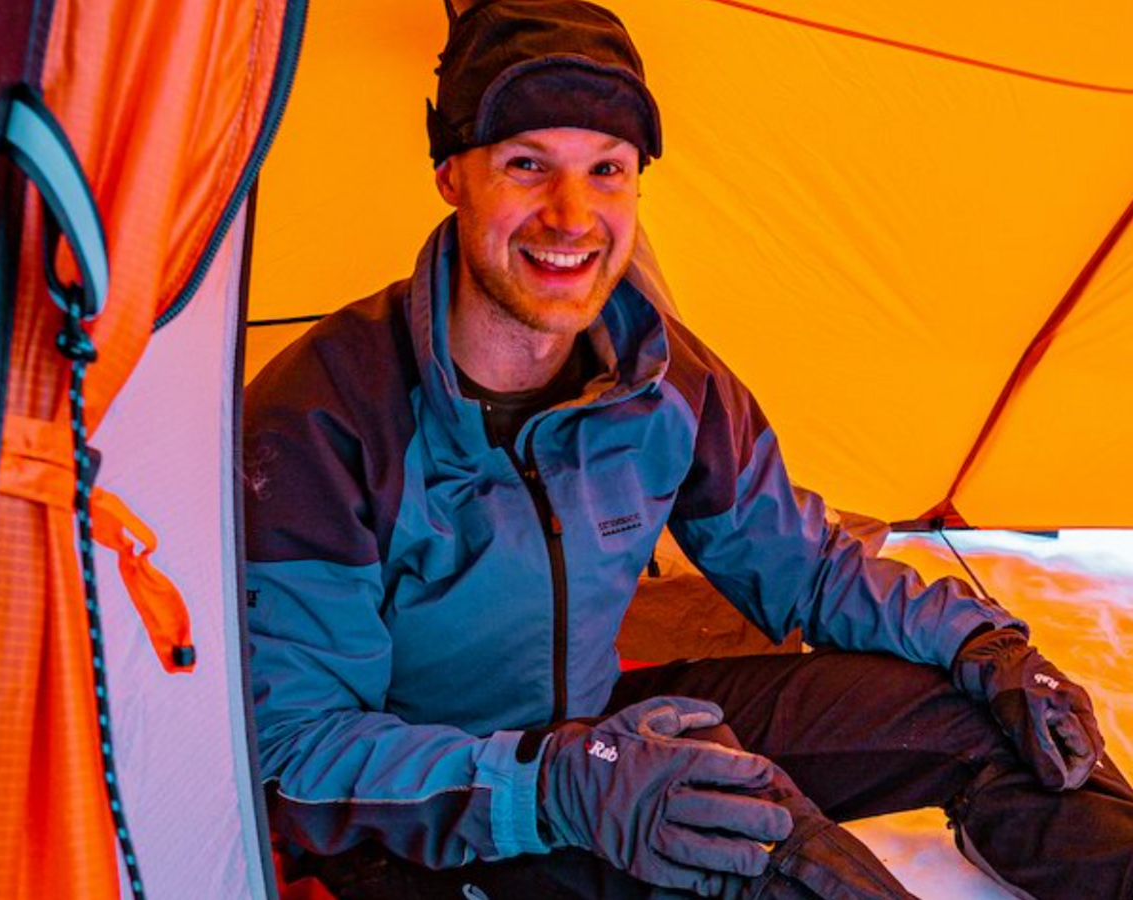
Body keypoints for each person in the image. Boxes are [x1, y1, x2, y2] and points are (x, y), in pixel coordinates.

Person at [242, 1, 1133, 897]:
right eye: (526, 165)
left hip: (597, 735)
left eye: (607, 170)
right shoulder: (322, 419)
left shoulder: (660, 377)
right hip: (432, 818)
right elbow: (294, 746)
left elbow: (804, 566)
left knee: (983, 720)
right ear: (451, 175)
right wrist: (556, 785)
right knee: (764, 858)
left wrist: (983, 644)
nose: (571, 214)